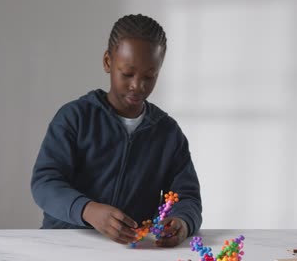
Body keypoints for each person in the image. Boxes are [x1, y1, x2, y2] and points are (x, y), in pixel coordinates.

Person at [31, 14, 202, 247]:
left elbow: (187, 196)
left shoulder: (167, 133)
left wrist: (182, 222)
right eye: (128, 73)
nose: (137, 86)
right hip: (65, 244)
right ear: (108, 62)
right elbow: (45, 183)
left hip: (131, 249)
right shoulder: (75, 117)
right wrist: (88, 210)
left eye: (149, 77)